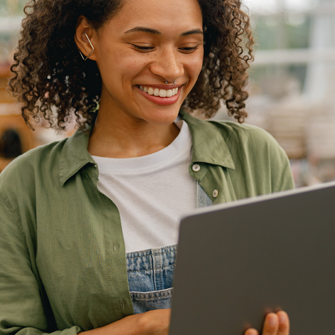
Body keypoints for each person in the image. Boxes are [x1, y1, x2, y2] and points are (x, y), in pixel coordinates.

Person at [0, 0, 293, 334]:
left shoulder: (256, 157)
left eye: (188, 46)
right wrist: (144, 327)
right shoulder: (23, 189)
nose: (170, 69)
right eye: (143, 45)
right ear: (87, 38)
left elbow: (301, 299)